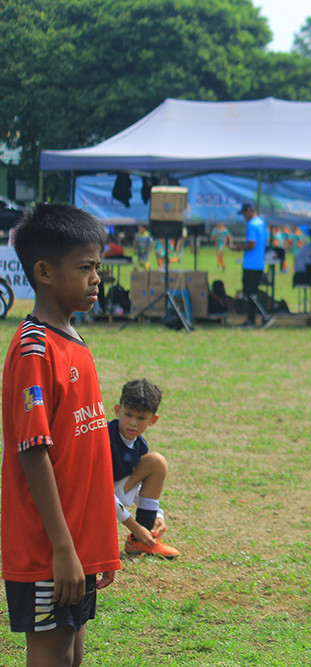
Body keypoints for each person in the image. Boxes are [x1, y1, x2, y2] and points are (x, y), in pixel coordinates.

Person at [2, 203, 120, 667]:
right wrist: (64, 549)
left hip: (76, 543)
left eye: (98, 266)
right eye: (86, 267)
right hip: (48, 547)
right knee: (51, 654)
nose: (97, 278)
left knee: (72, 653)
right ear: (45, 272)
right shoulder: (34, 349)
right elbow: (33, 453)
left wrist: (96, 546)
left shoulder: (73, 338)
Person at [109, 379, 179, 559]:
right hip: (95, 497)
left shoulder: (140, 446)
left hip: (115, 495)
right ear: (118, 410)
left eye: (141, 418)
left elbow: (134, 483)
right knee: (156, 461)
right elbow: (100, 489)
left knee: (156, 462)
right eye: (128, 414)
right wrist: (134, 526)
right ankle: (140, 534)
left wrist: (157, 514)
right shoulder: (105, 437)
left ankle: (142, 541)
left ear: (153, 420)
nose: (133, 423)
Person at [230, 203, 272, 328]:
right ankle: (251, 320)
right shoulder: (262, 223)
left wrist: (238, 247)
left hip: (250, 264)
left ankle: (263, 316)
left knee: (249, 294)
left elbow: (252, 244)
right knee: (252, 293)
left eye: (244, 213)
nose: (244, 217)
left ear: (248, 210)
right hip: (259, 263)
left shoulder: (252, 224)